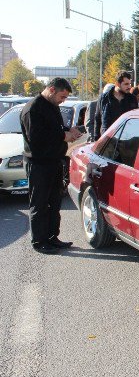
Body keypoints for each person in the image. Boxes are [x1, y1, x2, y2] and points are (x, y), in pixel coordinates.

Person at [20, 78, 82, 254]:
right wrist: (63, 136)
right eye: (62, 96)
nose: (63, 101)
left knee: (54, 202)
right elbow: (36, 138)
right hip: (38, 163)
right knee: (39, 204)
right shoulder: (32, 109)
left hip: (54, 161)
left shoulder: (52, 106)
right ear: (52, 90)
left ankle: (52, 237)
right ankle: (39, 241)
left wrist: (70, 131)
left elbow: (57, 127)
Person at [95, 70, 138, 140]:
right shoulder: (104, 98)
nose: (129, 86)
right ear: (117, 84)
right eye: (126, 84)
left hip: (126, 140)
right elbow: (97, 119)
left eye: (130, 84)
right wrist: (96, 139)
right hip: (107, 141)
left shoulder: (132, 99)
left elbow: (136, 121)